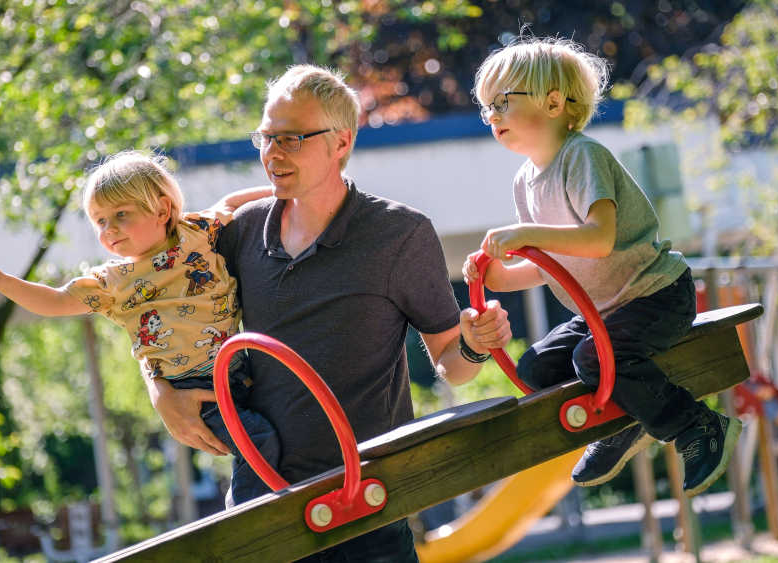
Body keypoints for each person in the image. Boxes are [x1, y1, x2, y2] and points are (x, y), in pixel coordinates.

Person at [149, 65, 511, 562]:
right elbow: (160, 304)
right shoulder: (240, 233)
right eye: (266, 137)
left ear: (341, 142)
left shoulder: (399, 236)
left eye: (291, 138)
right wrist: (160, 389)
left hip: (367, 503)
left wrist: (474, 342)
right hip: (266, 510)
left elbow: (453, 363)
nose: (272, 154)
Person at [462, 36, 742, 498]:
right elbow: (556, 265)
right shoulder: (525, 181)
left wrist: (527, 235)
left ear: (553, 102)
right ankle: (621, 422)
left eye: (502, 103)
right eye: (485, 107)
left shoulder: (582, 156)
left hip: (653, 294)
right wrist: (498, 277)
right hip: (602, 310)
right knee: (536, 369)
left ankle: (697, 425)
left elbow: (597, 240)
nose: (491, 116)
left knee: (594, 357)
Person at [0, 151, 280, 506]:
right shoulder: (114, 282)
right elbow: (56, 301)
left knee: (279, 430)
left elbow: (232, 203)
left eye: (121, 215)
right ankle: (250, 516)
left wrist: (283, 190)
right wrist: (5, 283)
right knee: (258, 440)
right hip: (193, 388)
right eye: (99, 221)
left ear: (162, 211)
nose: (108, 229)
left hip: (238, 369)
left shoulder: (196, 231)